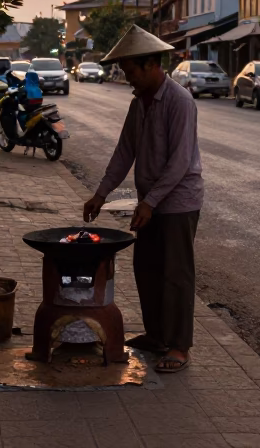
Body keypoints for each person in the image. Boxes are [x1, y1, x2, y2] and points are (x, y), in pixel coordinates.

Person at [83, 26, 203, 373]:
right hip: (149, 202)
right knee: (146, 267)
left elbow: (180, 162)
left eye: (131, 71)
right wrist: (100, 194)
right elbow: (125, 152)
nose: (128, 78)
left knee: (176, 274)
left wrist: (149, 202)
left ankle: (179, 346)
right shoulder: (139, 105)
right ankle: (156, 335)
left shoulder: (179, 101)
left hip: (178, 202)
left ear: (152, 65)